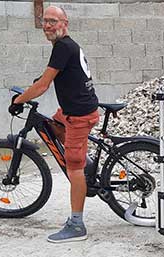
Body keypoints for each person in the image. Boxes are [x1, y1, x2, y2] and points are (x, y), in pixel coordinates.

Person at [10, 6, 99, 243]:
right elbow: (53, 75)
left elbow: (43, 87)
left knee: (74, 168)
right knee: (55, 124)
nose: (48, 25)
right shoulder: (67, 46)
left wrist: (18, 100)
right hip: (74, 110)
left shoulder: (63, 47)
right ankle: (84, 159)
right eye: (44, 21)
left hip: (79, 116)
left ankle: (77, 225)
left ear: (65, 22)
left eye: (53, 21)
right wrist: (39, 81)